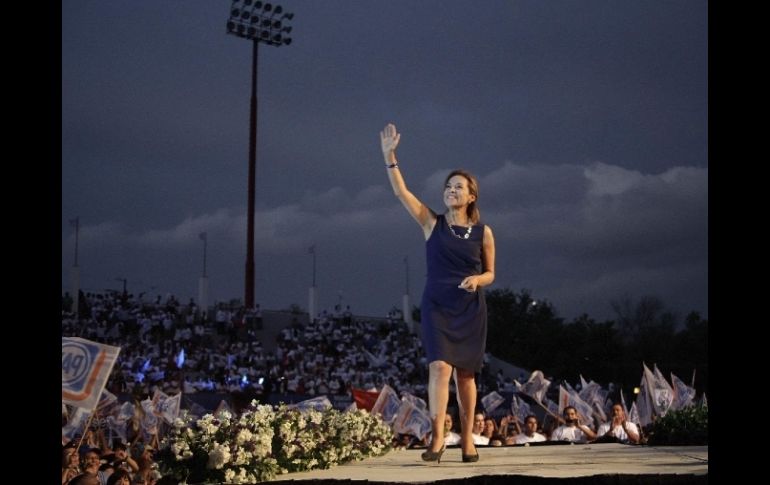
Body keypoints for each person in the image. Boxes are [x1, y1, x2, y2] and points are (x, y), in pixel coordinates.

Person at [380, 123, 496, 463]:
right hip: (437, 305)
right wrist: (390, 157)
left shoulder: (483, 232)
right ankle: (437, 437)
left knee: (465, 375)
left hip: (470, 307)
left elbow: (491, 273)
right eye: (448, 186)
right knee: (439, 368)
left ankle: (468, 440)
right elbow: (402, 193)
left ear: (471, 196)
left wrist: (478, 280)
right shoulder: (433, 223)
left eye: (458, 186)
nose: (451, 190)